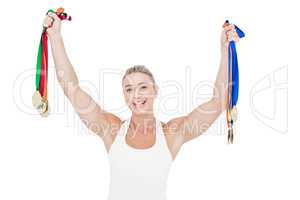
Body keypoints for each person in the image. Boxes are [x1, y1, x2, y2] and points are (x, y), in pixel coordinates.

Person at [43, 12, 238, 200]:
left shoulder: (172, 133)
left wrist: (225, 49)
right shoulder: (111, 129)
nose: (136, 95)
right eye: (129, 89)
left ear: (155, 91)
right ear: (124, 95)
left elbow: (218, 102)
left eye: (142, 87)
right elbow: (71, 89)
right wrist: (55, 36)